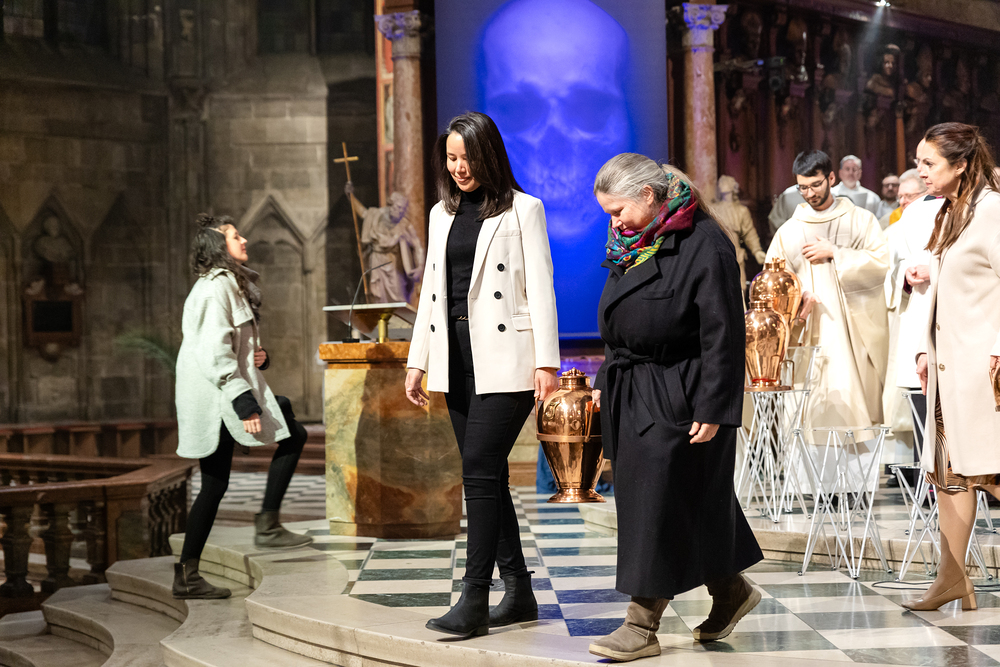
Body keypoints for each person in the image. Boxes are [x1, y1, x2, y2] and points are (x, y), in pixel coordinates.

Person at [587, 154, 762, 662]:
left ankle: (640, 625)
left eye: (618, 210)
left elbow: (724, 332)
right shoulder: (635, 240)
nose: (613, 222)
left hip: (682, 392)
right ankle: (730, 589)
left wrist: (715, 405)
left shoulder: (705, 243)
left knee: (657, 504)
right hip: (635, 387)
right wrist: (604, 380)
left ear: (648, 195)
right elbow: (621, 325)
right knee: (686, 500)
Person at [404, 111, 560, 639]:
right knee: (488, 475)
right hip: (455, 357)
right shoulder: (440, 214)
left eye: (467, 157)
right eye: (451, 158)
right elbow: (431, 291)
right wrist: (418, 359)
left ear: (488, 155)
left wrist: (546, 362)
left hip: (507, 358)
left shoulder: (524, 209)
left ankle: (473, 597)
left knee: (477, 470)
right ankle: (518, 593)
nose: (459, 168)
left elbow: (541, 287)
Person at [173, 214, 312, 600]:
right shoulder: (215, 287)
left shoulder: (229, 284)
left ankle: (264, 525)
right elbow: (213, 351)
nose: (244, 239)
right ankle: (189, 573)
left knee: (291, 432)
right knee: (215, 484)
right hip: (217, 396)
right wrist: (244, 402)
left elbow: (232, 344)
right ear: (219, 245)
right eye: (235, 236)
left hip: (226, 390)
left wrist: (257, 357)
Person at [907, 123, 1000, 611]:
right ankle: (951, 578)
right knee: (948, 473)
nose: (920, 171)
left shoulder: (992, 211)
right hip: (950, 368)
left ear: (961, 164)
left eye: (929, 163)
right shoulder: (950, 211)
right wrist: (926, 348)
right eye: (918, 162)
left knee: (990, 468)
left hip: (984, 369)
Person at [766, 150, 889, 434]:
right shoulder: (788, 231)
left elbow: (880, 263)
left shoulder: (861, 220)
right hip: (806, 324)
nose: (809, 193)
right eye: (803, 187)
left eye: (816, 185)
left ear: (831, 178)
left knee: (853, 409)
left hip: (850, 326)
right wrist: (796, 297)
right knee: (807, 415)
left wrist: (836, 252)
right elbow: (773, 280)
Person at [882, 169, 939, 464]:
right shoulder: (911, 214)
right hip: (916, 310)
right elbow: (890, 268)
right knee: (920, 395)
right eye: (900, 197)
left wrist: (935, 270)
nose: (903, 201)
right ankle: (925, 474)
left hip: (952, 311)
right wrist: (905, 276)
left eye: (909, 195)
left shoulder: (972, 206)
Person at [345, 185, 425, 303]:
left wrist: (420, 266)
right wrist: (351, 196)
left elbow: (417, 245)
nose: (400, 212)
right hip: (377, 262)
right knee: (377, 296)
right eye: (398, 207)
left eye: (403, 209)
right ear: (391, 205)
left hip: (394, 265)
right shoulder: (376, 216)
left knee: (398, 297)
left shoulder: (404, 225)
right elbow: (362, 212)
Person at [715, 175, 766, 289]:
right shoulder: (714, 209)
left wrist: (757, 251)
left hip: (736, 253)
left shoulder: (741, 210)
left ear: (732, 186)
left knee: (739, 287)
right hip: (718, 253)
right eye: (720, 182)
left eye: (725, 182)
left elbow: (749, 233)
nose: (721, 184)